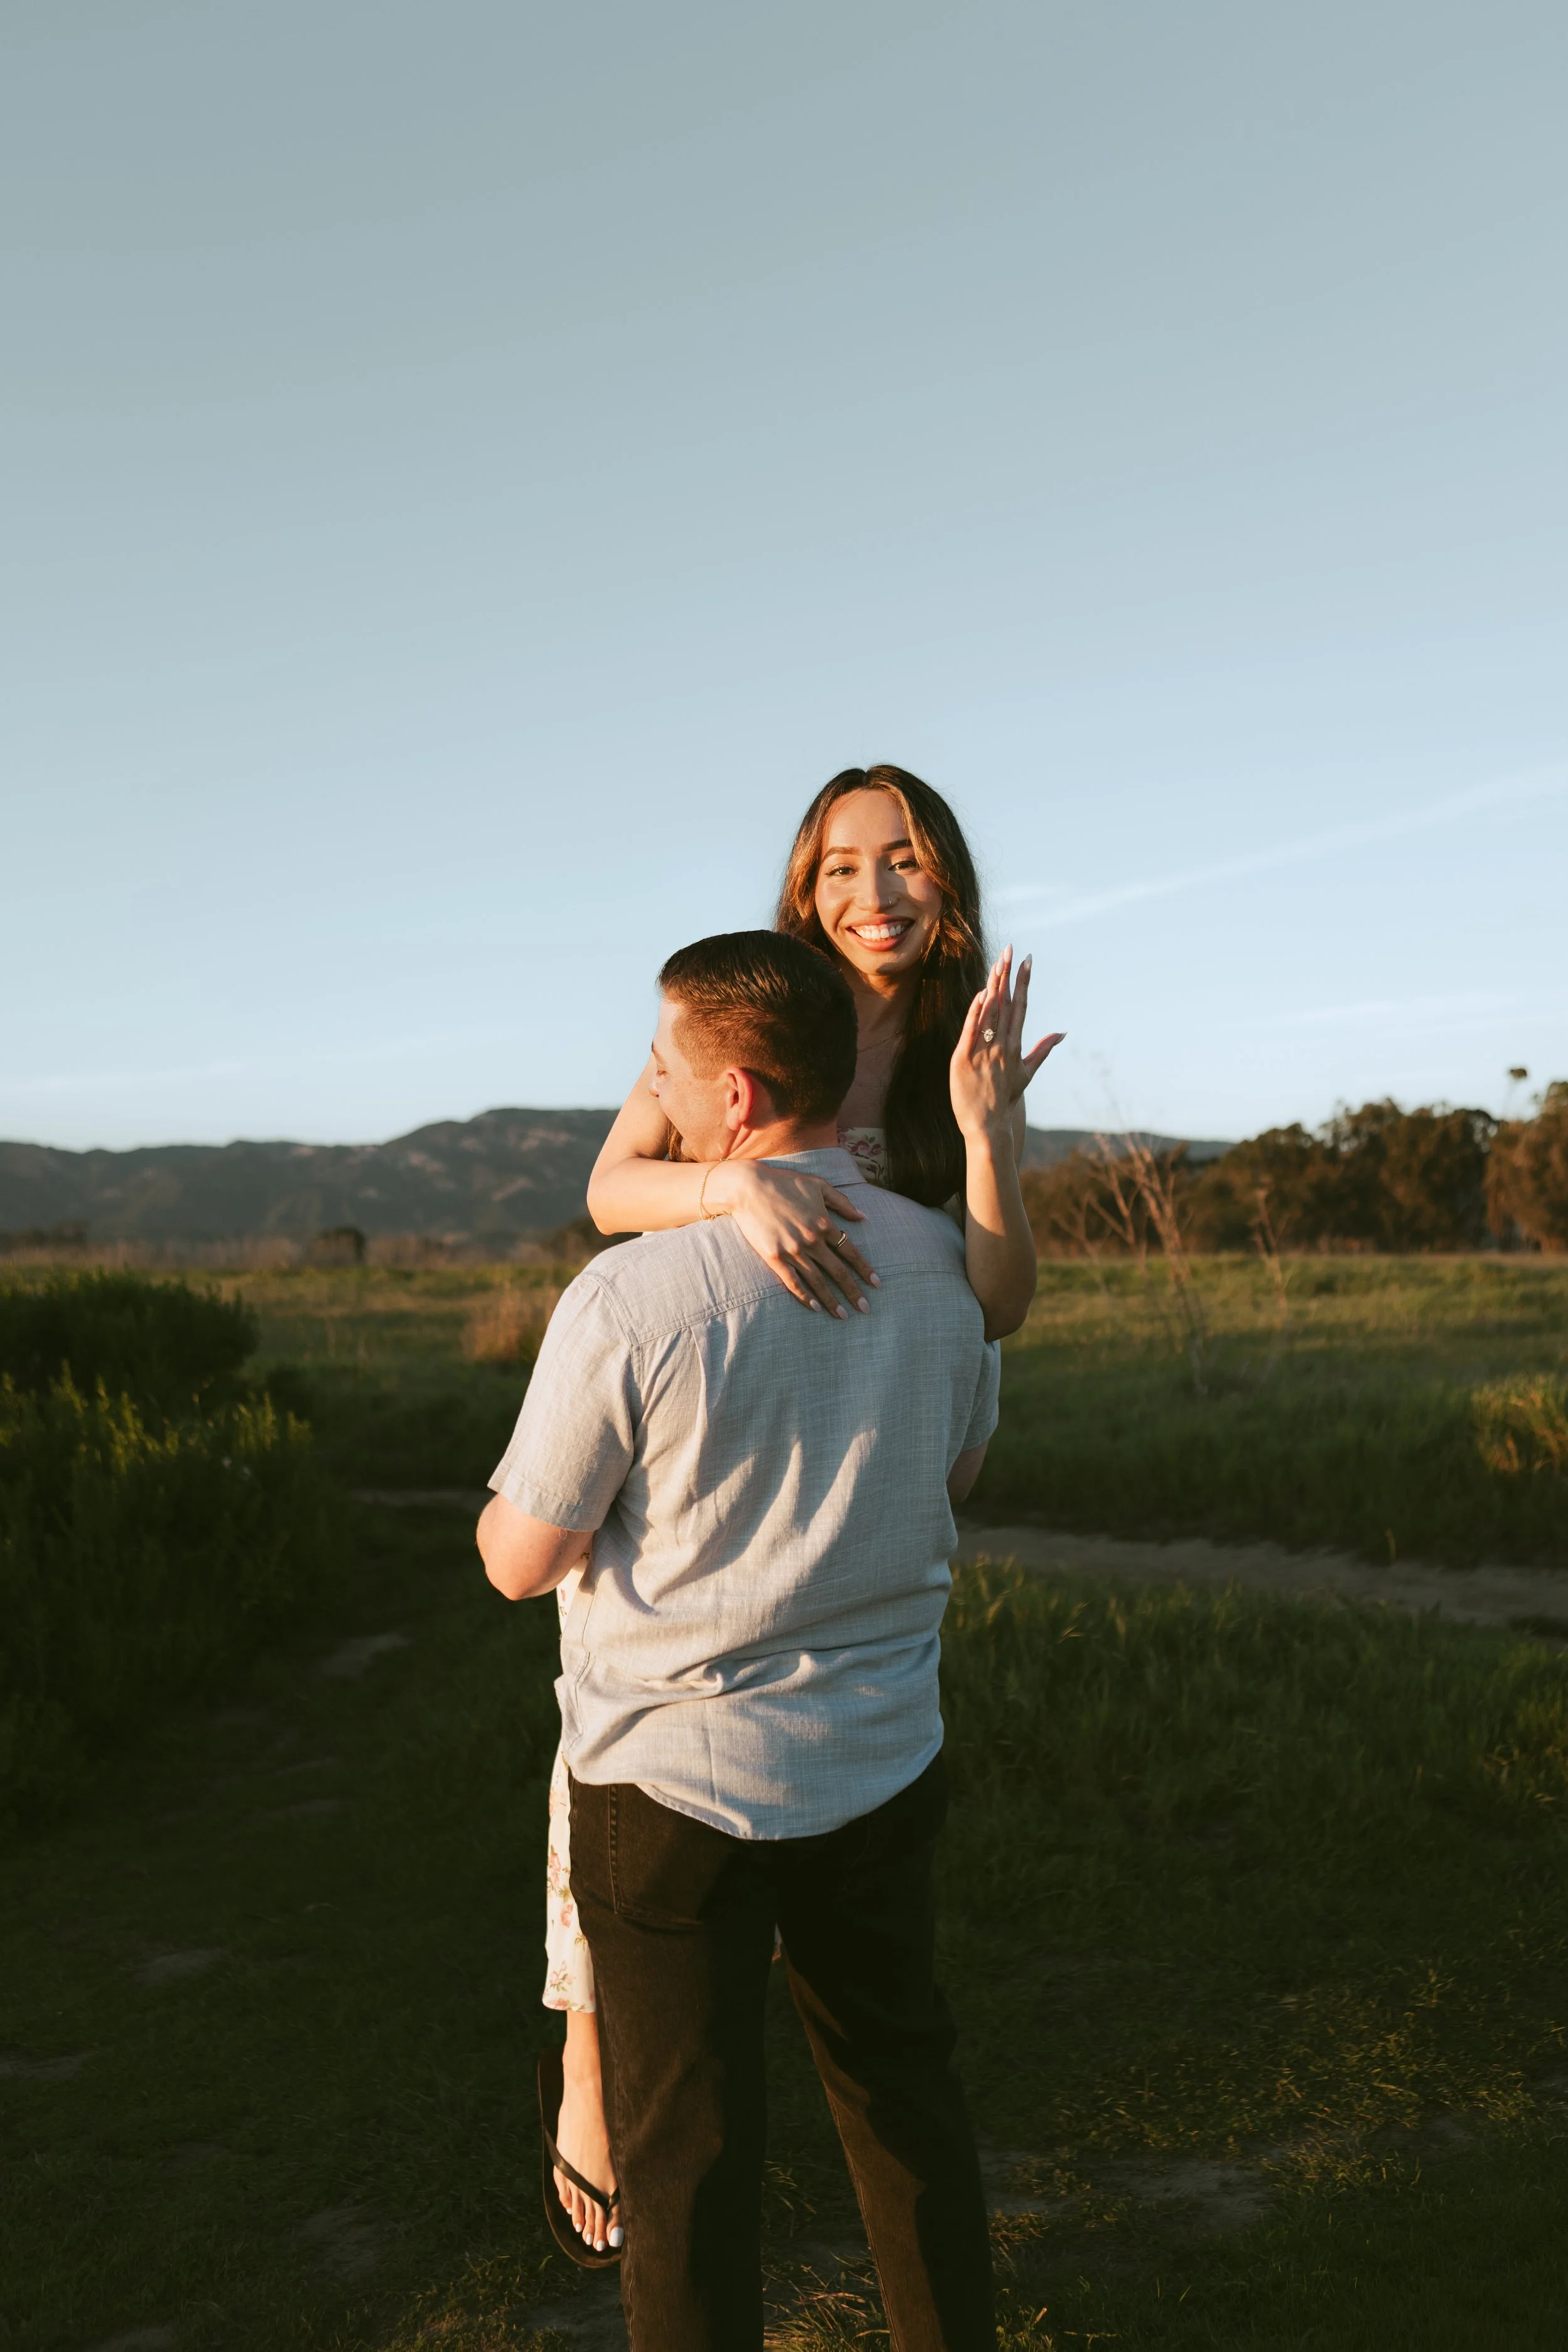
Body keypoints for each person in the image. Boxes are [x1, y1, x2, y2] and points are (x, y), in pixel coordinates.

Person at [478, 928, 1003, 2351]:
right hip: (883, 1762)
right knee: (905, 2104)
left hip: (669, 1796)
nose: (646, 1084)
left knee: (686, 2158)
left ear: (733, 1099)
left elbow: (517, 1563)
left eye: (661, 1064)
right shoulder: (944, 1268)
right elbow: (953, 1476)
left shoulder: (629, 1300)